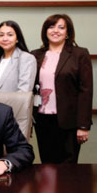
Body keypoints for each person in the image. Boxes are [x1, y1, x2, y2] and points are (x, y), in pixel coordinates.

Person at [31, 14, 93, 163]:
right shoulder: (35, 55)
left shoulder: (79, 54)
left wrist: (83, 125)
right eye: (51, 27)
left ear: (68, 33)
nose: (55, 30)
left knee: (68, 167)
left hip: (68, 121)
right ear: (45, 31)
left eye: (61, 27)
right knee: (47, 164)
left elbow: (86, 90)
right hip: (42, 119)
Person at [0, 20, 36, 92]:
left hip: (11, 103)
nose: (5, 39)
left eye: (10, 35)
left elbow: (24, 92)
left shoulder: (26, 58)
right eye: (1, 35)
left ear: (17, 39)